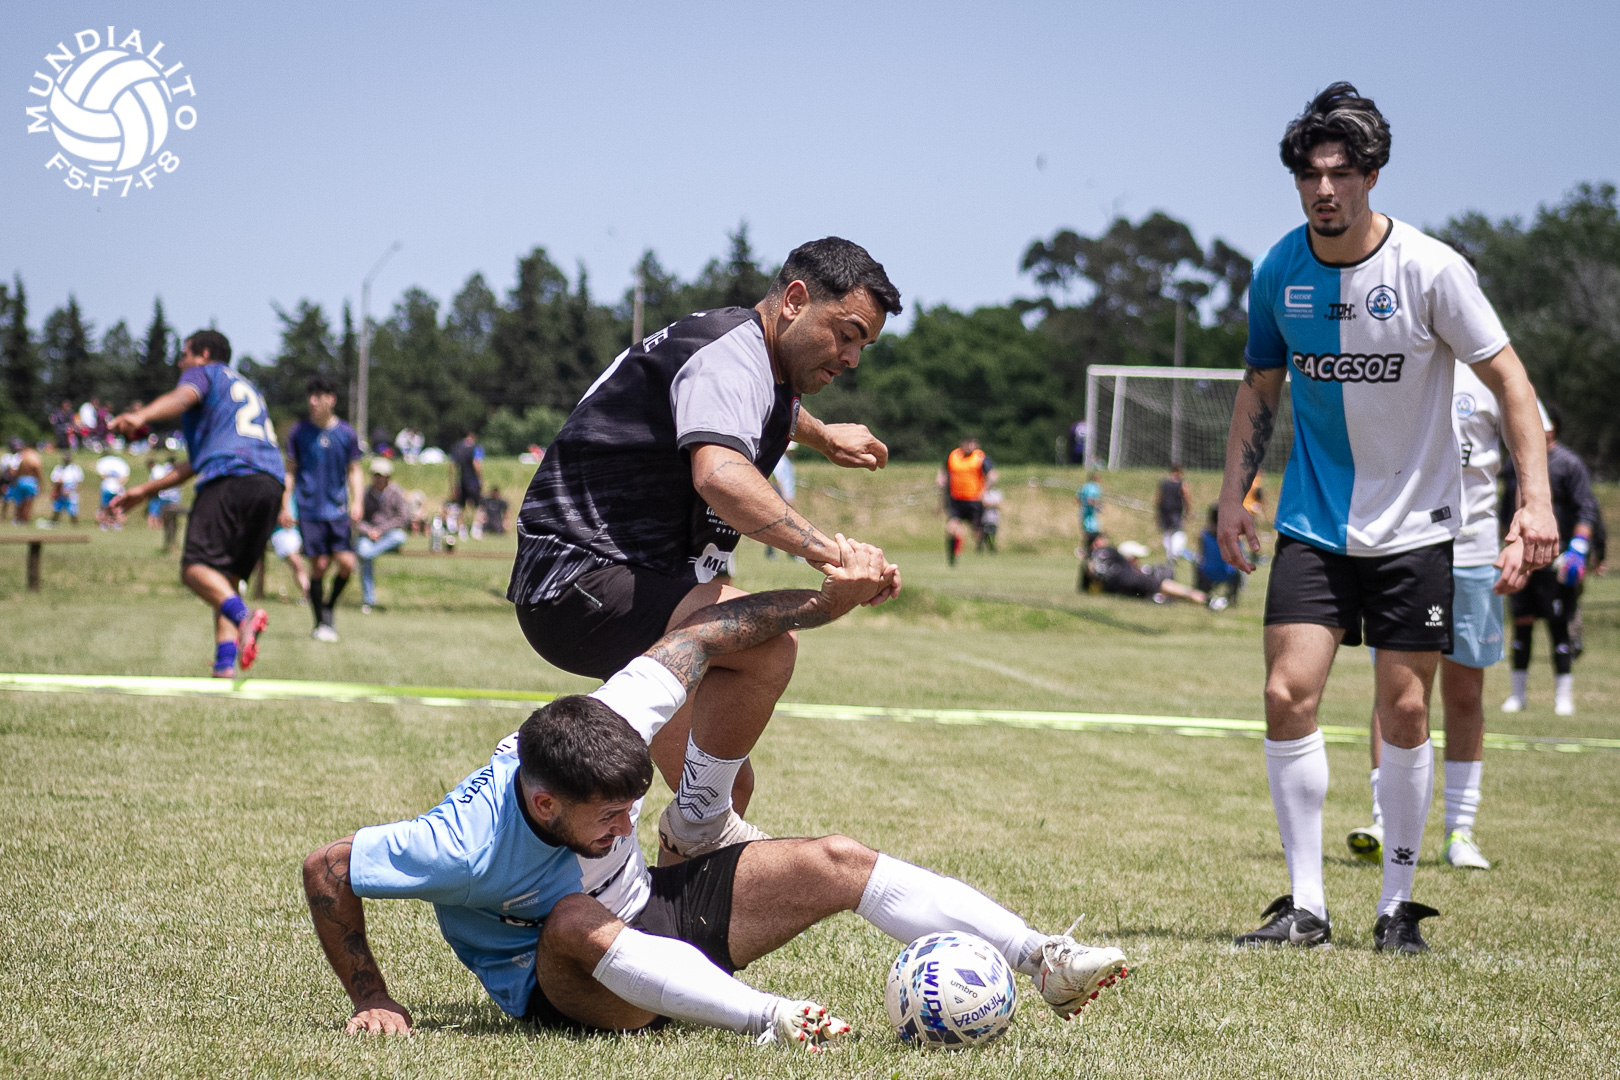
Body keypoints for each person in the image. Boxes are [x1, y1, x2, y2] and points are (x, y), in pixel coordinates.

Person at [303, 542, 1127, 1045]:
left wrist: (825, 601)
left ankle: (1041, 960)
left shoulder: (614, 715)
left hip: (654, 911)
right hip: (571, 985)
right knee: (570, 917)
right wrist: (373, 996)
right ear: (545, 805)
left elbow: (703, 637)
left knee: (837, 859)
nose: (627, 824)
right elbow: (327, 868)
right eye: (609, 817)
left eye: (631, 808)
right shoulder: (459, 845)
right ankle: (767, 1017)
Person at [1216, 83, 1557, 954]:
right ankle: (1306, 906)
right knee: (1286, 693)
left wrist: (1535, 501)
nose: (1324, 190)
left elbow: (1511, 381)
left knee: (1405, 709)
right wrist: (1232, 498)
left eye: (1341, 173)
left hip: (1417, 526)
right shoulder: (1278, 271)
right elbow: (1259, 387)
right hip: (1314, 522)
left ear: (1372, 175)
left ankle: (1396, 907)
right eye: (1309, 175)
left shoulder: (1431, 270)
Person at [507, 237, 903, 865]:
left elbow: (771, 406)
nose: (852, 358)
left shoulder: (751, 360)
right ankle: (542, 799)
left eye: (864, 346)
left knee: (723, 788)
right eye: (847, 334)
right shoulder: (731, 357)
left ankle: (681, 907)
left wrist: (823, 436)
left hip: (623, 581)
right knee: (767, 643)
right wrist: (833, 556)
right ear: (795, 300)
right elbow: (720, 475)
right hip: (581, 578)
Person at [1349, 362, 1532, 871]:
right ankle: (1385, 819)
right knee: (1395, 692)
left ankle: (1460, 831)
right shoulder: (1398, 357)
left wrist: (1523, 527)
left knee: (1464, 692)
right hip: (1402, 549)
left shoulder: (1494, 368)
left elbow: (1533, 441)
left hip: (1474, 554)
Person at [110, 330, 284, 678]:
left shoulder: (205, 374)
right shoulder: (245, 388)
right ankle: (224, 664)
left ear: (203, 354)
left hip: (230, 478)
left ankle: (245, 617)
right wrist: (145, 491)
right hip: (270, 483)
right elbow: (196, 462)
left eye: (185, 354)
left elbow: (184, 396)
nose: (180, 363)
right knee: (224, 580)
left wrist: (142, 416)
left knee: (194, 570)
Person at [1501, 403, 1601, 716]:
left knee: (1559, 628)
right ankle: (1517, 696)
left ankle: (1563, 697)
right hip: (1523, 559)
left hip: (1557, 561)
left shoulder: (1568, 464)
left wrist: (1579, 549)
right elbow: (1506, 507)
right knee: (1522, 626)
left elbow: (1587, 508)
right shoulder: (1515, 464)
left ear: (1552, 428)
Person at [282, 375, 363, 642]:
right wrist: (285, 505)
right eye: (310, 396)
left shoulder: (346, 434)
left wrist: (357, 501)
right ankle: (321, 622)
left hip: (337, 510)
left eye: (318, 396)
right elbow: (290, 471)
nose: (313, 401)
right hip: (309, 510)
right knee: (319, 565)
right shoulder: (299, 433)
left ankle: (328, 605)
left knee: (347, 563)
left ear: (332, 399)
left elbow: (354, 470)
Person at [1080, 534, 1208, 605]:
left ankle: (1190, 600)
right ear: (1096, 543)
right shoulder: (1108, 550)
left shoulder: (1088, 561)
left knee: (1150, 594)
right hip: (1127, 577)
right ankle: (1204, 599)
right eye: (1102, 538)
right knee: (1163, 585)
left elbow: (1085, 587)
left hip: (1114, 587)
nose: (1105, 540)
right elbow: (1127, 566)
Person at [356, 458, 410, 612]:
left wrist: (381, 530)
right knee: (364, 553)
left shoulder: (396, 492)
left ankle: (368, 553)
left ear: (388, 477)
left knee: (399, 537)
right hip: (368, 535)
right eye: (376, 475)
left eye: (381, 475)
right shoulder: (365, 493)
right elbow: (356, 519)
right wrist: (369, 531)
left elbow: (403, 518)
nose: (378, 478)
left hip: (388, 535)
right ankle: (369, 601)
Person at [938, 436, 996, 567]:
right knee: (951, 528)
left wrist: (984, 492)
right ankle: (952, 557)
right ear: (962, 444)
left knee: (976, 532)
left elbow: (992, 475)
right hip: (956, 500)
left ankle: (987, 543)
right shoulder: (953, 456)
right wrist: (941, 480)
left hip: (974, 500)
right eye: (968, 444)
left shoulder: (980, 458)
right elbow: (943, 471)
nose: (971, 447)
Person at [1195, 505, 1241, 610]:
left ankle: (1201, 593)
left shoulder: (1204, 535)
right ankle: (1232, 598)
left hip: (1207, 573)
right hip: (1227, 573)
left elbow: (1200, 554)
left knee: (1197, 564)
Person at [1155, 463, 1192, 566]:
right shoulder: (1181, 484)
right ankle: (1174, 555)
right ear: (1179, 471)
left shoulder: (1164, 483)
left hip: (1164, 512)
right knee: (1178, 533)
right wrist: (1188, 513)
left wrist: (1157, 514)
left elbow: (1158, 499)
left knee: (1167, 534)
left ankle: (1169, 556)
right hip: (1176, 512)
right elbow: (1187, 499)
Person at [449, 431, 484, 537]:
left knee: (460, 507)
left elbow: (452, 467)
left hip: (461, 480)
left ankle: (462, 530)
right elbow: (476, 463)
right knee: (478, 506)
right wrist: (480, 478)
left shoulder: (456, 448)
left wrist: (453, 483)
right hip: (473, 481)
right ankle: (476, 529)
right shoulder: (475, 448)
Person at [4, 439, 42, 525]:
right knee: (28, 503)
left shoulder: (21, 456)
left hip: (20, 481)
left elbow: (15, 471)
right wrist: (40, 482)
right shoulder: (33, 456)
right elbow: (37, 469)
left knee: (19, 502)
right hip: (31, 482)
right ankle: (24, 521)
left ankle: (17, 519)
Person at [95, 453, 131, 529]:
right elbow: (102, 475)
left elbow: (125, 477)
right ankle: (105, 523)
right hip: (107, 489)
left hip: (117, 490)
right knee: (106, 507)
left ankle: (115, 523)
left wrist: (118, 482)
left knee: (116, 507)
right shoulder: (104, 464)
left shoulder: (120, 465)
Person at [50, 451, 84, 526]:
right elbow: (54, 480)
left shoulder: (75, 469)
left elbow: (79, 482)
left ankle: (75, 526)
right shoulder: (58, 468)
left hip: (71, 494)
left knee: (73, 512)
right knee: (56, 510)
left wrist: (71, 491)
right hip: (60, 494)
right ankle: (54, 525)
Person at [1077, 471, 1103, 552]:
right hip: (1090, 513)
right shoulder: (1094, 487)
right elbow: (1090, 499)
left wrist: (1082, 505)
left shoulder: (1085, 486)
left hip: (1084, 511)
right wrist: (1097, 506)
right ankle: (1091, 549)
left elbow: (1078, 497)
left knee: (1086, 532)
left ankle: (1086, 548)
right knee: (1093, 532)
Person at [978, 488, 1002, 553]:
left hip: (994, 518)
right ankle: (984, 547)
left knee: (993, 533)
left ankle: (991, 547)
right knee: (985, 533)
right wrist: (994, 504)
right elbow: (983, 504)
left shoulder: (997, 493)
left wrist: (990, 504)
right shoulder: (983, 492)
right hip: (985, 517)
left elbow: (999, 505)